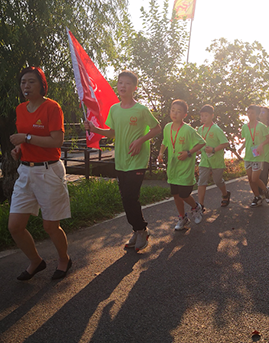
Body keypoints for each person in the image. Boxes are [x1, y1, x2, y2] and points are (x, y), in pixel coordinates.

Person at [84, 71, 161, 252]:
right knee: (126, 199)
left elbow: (157, 128)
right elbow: (113, 132)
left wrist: (140, 140)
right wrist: (95, 128)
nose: (122, 86)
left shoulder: (141, 110)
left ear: (134, 87)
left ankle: (142, 230)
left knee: (130, 197)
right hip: (121, 160)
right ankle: (137, 230)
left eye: (127, 83)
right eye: (120, 83)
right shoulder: (114, 109)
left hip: (137, 160)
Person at [8, 66, 72, 281]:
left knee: (50, 225)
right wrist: (18, 150)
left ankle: (64, 259)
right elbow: (23, 142)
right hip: (25, 171)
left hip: (48, 171)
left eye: (31, 82)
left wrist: (25, 138)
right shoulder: (20, 109)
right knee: (15, 226)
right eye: (23, 82)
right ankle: (36, 261)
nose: (26, 86)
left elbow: (57, 141)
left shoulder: (52, 107)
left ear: (42, 84)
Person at [158, 99, 206, 230]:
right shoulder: (168, 127)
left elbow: (202, 143)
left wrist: (188, 153)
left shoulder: (188, 130)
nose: (175, 113)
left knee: (184, 194)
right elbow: (165, 141)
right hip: (173, 167)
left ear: (185, 115)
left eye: (179, 111)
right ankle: (182, 217)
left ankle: (196, 207)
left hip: (185, 167)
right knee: (175, 194)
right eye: (173, 110)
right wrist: (161, 153)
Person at [196, 104, 231, 210]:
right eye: (202, 116)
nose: (203, 118)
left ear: (212, 116)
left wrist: (214, 149)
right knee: (201, 181)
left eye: (206, 115)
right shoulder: (200, 130)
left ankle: (225, 194)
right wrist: (197, 150)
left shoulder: (216, 129)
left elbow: (225, 143)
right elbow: (198, 143)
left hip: (216, 161)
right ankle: (200, 205)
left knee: (217, 180)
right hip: (204, 161)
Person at [237, 105, 269, 207]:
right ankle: (257, 197)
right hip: (248, 156)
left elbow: (268, 138)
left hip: (258, 156)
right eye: (248, 113)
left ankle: (266, 190)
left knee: (254, 179)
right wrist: (241, 147)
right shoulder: (245, 127)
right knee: (249, 179)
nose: (249, 115)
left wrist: (261, 145)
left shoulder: (261, 126)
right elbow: (247, 140)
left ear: (257, 114)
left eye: (252, 113)